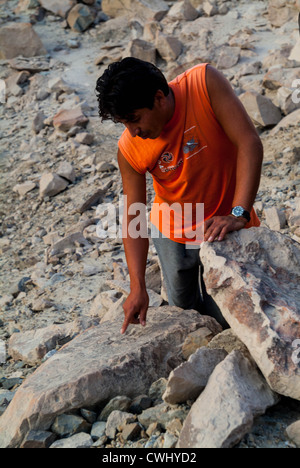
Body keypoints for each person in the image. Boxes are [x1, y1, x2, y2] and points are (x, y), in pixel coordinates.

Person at [95, 58, 263, 334]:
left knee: (228, 315)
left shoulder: (204, 85)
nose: (133, 131)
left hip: (224, 225)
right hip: (173, 231)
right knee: (183, 312)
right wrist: (137, 286)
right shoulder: (130, 148)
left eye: (135, 119)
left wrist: (238, 213)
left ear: (158, 97)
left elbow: (249, 142)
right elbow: (134, 215)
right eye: (124, 123)